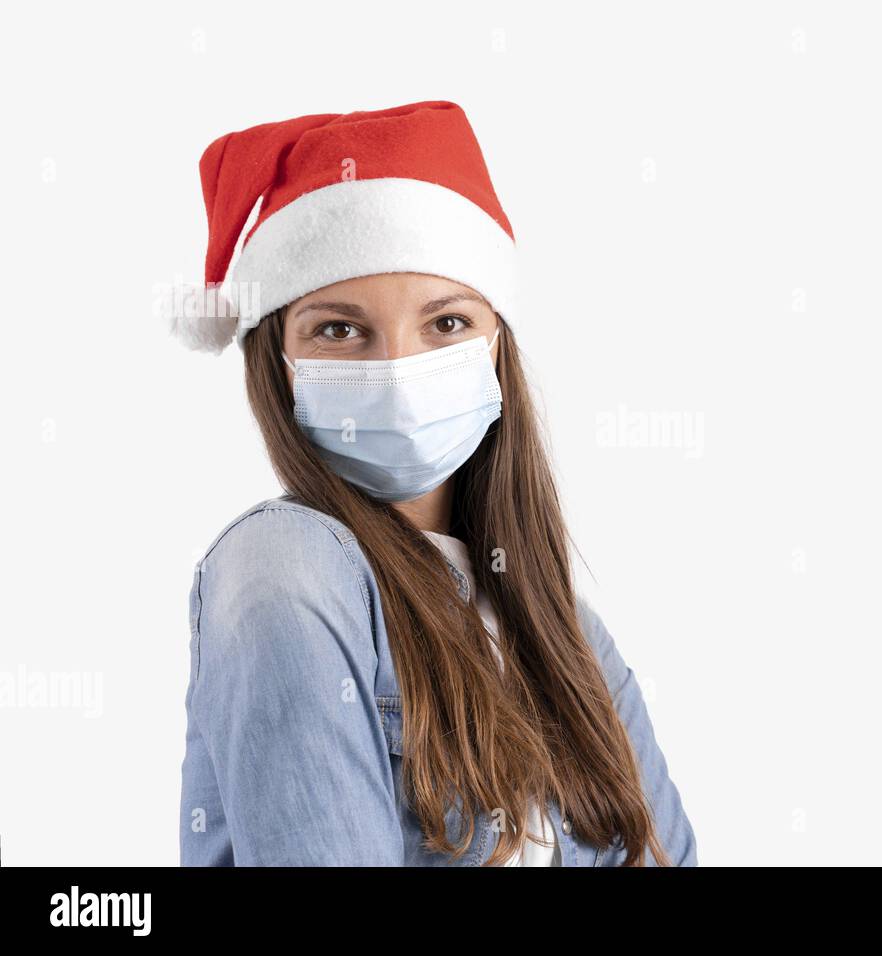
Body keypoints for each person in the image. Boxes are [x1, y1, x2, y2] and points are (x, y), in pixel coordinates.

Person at [174, 101, 697, 866]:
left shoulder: (571, 640)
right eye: (339, 329)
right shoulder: (286, 568)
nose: (396, 370)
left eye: (445, 323)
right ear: (277, 365)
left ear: (496, 346)